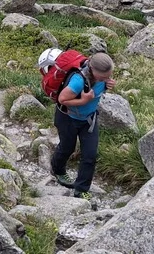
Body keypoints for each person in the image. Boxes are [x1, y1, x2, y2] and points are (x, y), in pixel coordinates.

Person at [51, 53, 115, 198]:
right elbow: (62, 99)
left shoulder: (101, 76)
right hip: (68, 119)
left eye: (109, 76)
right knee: (67, 148)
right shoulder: (78, 81)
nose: (106, 79)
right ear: (92, 70)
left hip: (89, 120)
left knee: (90, 155)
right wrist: (83, 101)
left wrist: (107, 85)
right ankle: (58, 170)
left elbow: (99, 87)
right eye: (103, 77)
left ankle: (81, 190)